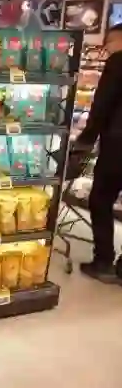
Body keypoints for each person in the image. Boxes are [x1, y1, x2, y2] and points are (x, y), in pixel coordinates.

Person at [75, 23, 122, 281]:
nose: (106, 49)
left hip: (118, 147)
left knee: (101, 200)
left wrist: (86, 139)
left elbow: (102, 104)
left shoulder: (118, 62)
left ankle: (103, 260)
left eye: (109, 43)